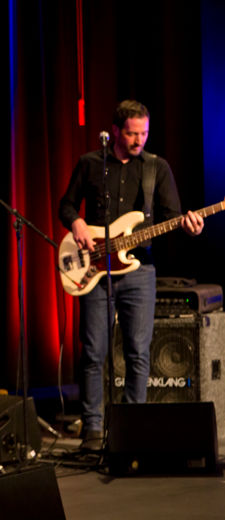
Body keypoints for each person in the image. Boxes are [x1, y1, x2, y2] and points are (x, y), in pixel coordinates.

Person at [58, 100, 204, 451]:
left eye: (144, 133)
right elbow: (66, 205)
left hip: (140, 270)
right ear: (115, 131)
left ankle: (133, 426)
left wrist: (188, 226)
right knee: (94, 352)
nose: (139, 140)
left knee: (138, 352)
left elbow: (171, 216)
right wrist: (77, 222)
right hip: (95, 269)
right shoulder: (90, 163)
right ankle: (93, 429)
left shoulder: (156, 167)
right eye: (132, 133)